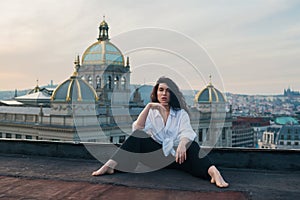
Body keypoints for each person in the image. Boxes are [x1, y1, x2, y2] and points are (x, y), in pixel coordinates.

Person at [92, 77, 229, 188]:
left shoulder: (181, 114)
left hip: (177, 157)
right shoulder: (151, 112)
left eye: (167, 91)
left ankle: (214, 172)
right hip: (155, 158)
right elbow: (137, 129)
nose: (164, 94)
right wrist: (149, 106)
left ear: (172, 94)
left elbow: (187, 132)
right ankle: (109, 166)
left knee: (192, 145)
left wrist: (182, 144)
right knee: (138, 136)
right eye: (161, 90)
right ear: (156, 93)